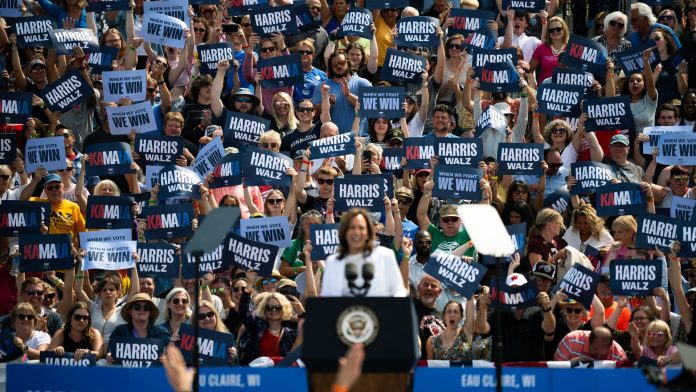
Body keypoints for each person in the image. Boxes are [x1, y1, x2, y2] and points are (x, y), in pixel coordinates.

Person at [322, 208, 408, 297]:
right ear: (344, 232)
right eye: (352, 227)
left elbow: (399, 291)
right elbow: (327, 298)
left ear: (368, 232)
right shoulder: (332, 261)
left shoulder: (386, 256)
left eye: (361, 228)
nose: (356, 232)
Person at [238, 290, 301, 365]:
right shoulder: (256, 328)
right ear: (264, 309)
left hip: (283, 375)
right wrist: (248, 287)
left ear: (284, 309)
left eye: (278, 307)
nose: (274, 310)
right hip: (258, 374)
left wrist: (302, 314)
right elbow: (244, 312)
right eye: (269, 307)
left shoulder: (292, 334)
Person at [106, 293, 170, 361]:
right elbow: (111, 350)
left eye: (146, 307)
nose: (142, 309)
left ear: (150, 312)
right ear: (130, 311)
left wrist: (167, 358)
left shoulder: (161, 333)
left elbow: (171, 354)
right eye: (137, 307)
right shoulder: (120, 331)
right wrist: (109, 355)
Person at [554, 326, 627, 362]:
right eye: (595, 353)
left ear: (611, 346)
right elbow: (556, 371)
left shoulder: (619, 355)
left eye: (603, 355)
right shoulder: (571, 341)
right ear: (588, 341)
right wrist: (572, 364)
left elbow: (621, 382)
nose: (598, 357)